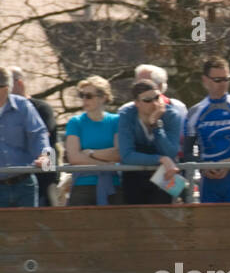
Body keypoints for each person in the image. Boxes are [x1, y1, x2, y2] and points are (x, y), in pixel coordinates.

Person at [183, 57, 230, 204]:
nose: (223, 84)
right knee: (210, 226)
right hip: (208, 183)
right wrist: (203, 166)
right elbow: (186, 153)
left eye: (227, 79)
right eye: (218, 80)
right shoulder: (194, 112)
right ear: (205, 80)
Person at [117, 79, 183, 205]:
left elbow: (170, 152)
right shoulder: (126, 115)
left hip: (163, 176)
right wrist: (160, 159)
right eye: (147, 100)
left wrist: (156, 125)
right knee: (136, 219)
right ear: (137, 103)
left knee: (162, 218)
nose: (155, 103)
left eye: (157, 97)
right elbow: (126, 156)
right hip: (134, 175)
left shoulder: (172, 115)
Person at [63, 75, 120, 206]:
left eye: (89, 96)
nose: (84, 99)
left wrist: (89, 153)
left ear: (103, 97)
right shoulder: (75, 122)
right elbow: (74, 157)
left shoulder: (116, 121)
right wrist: (104, 165)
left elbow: (118, 153)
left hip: (112, 185)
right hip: (82, 185)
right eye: (82, 95)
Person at [0, 66, 53, 208]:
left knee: (29, 228)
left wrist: (45, 156)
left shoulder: (23, 105)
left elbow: (39, 133)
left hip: (24, 183)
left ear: (7, 88)